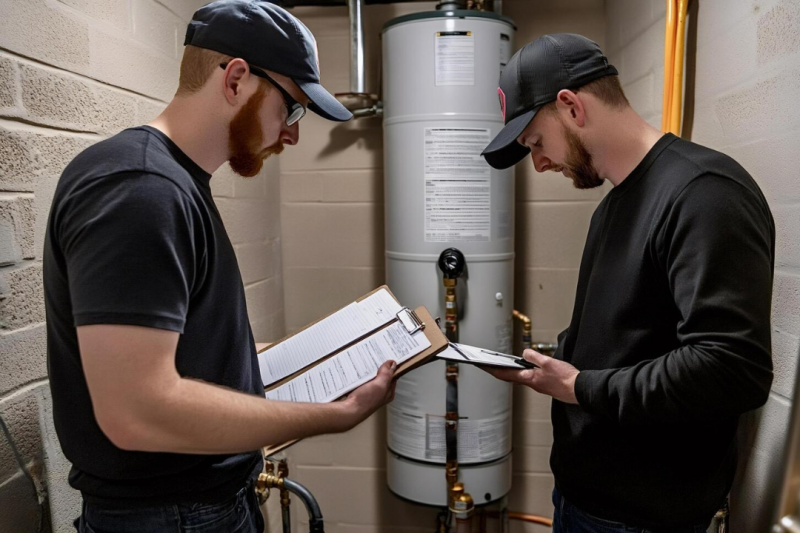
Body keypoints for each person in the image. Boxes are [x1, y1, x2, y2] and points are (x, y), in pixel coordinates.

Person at [43, 2, 396, 532]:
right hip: (171, 517)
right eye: (292, 109)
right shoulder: (141, 189)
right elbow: (136, 410)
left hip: (195, 507)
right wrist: (334, 416)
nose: (293, 134)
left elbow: (182, 350)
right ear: (235, 79)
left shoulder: (173, 184)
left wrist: (297, 358)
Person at [481, 33, 774, 533]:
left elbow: (732, 367)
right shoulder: (615, 204)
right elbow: (628, 339)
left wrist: (579, 386)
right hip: (584, 499)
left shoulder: (703, 195)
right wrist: (556, 366)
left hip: (642, 518)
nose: (541, 162)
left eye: (535, 142)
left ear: (571, 107)